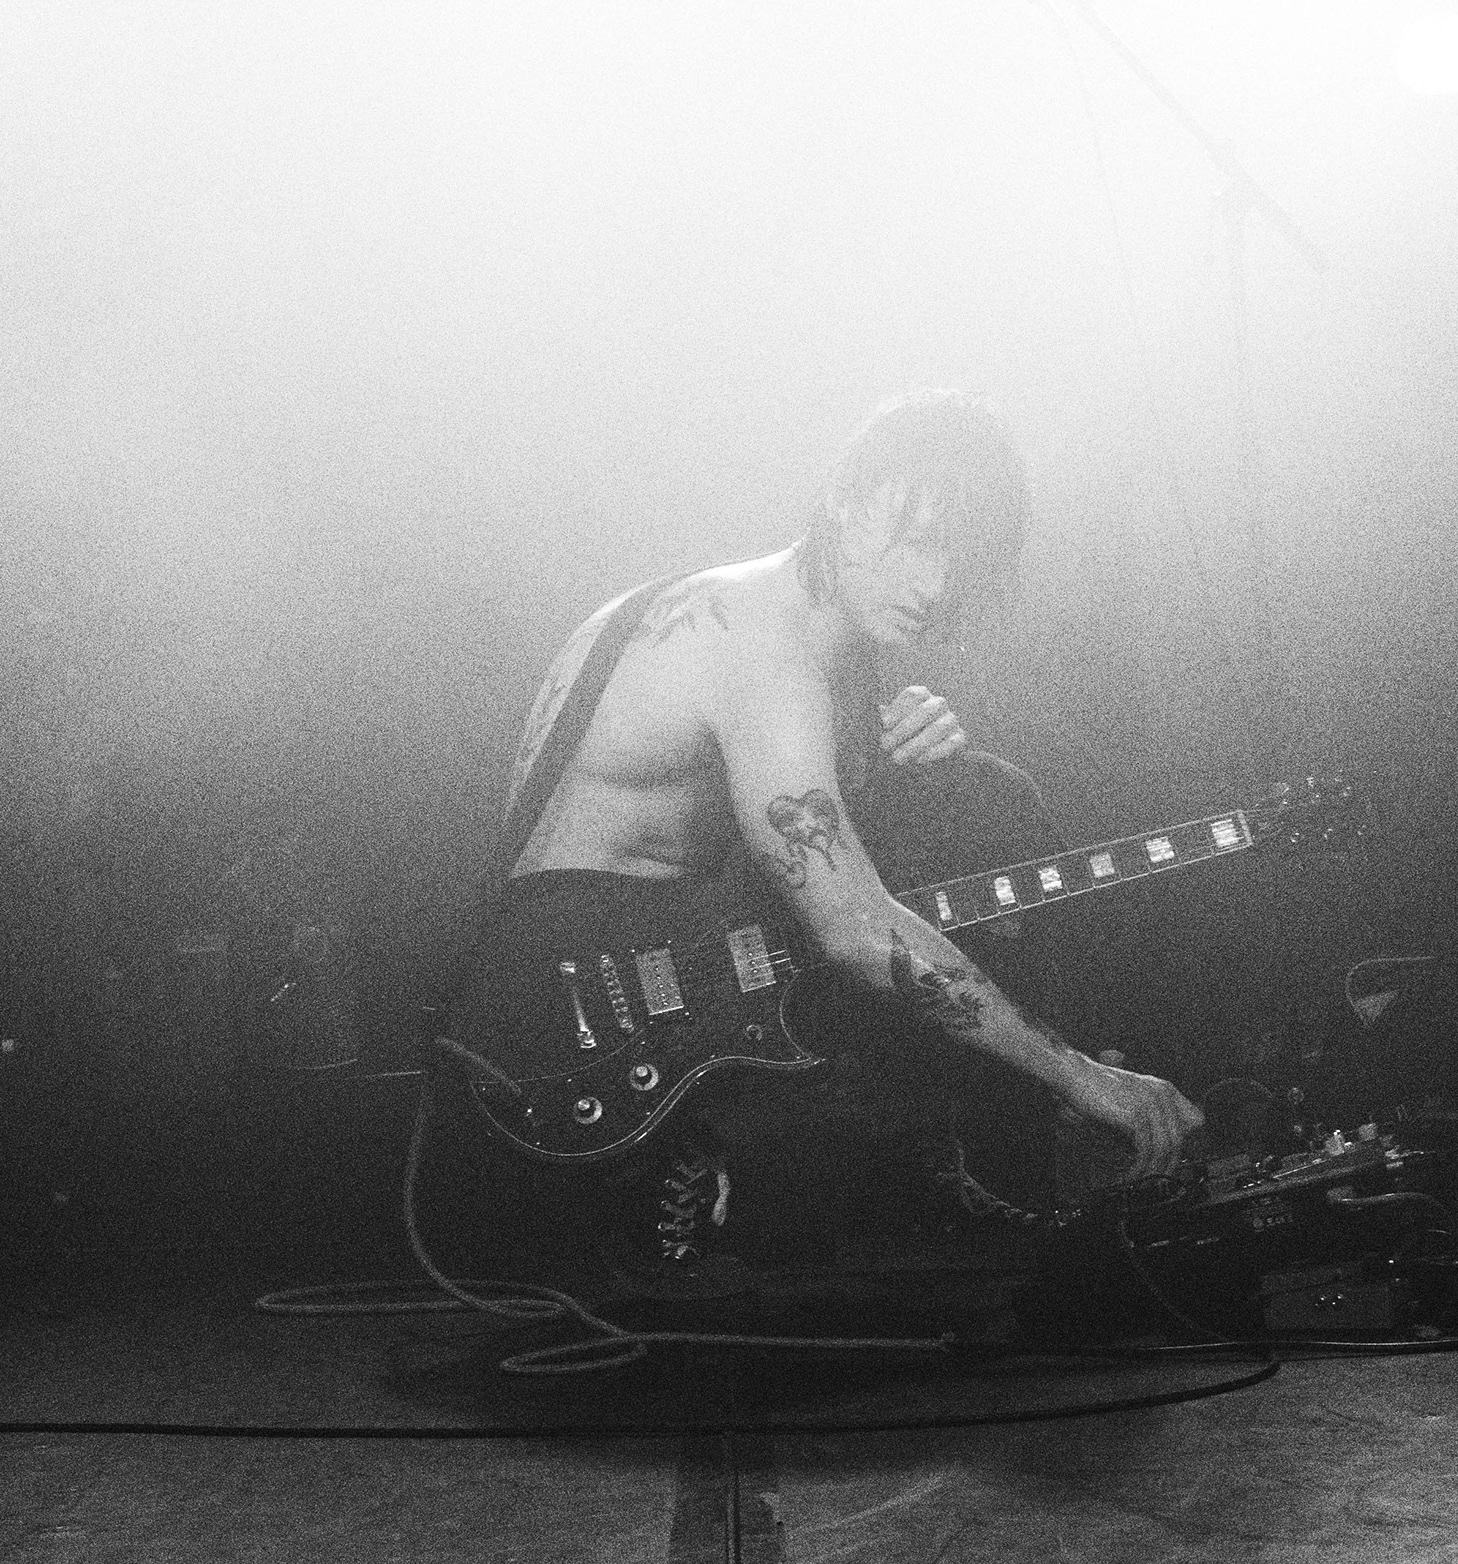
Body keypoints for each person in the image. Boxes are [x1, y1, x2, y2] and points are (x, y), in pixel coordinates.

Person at [501, 391, 1201, 1188]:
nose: (936, 588)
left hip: (631, 965)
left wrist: (888, 756)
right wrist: (1077, 1075)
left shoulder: (803, 632)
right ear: (844, 500)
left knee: (979, 794)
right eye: (918, 545)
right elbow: (853, 929)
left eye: (959, 563)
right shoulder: (764, 645)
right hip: (578, 1022)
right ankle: (1071, 1127)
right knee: (973, 834)